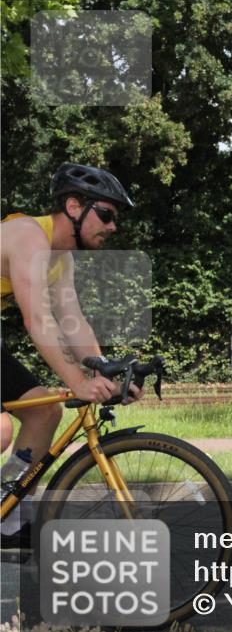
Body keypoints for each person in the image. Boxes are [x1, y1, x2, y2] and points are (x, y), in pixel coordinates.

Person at [1, 163, 143, 549]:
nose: (113, 226)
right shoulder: (29, 237)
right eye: (107, 214)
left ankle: (6, 514)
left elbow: (73, 322)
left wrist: (106, 374)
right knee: (1, 430)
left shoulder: (59, 258)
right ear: (74, 205)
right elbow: (38, 319)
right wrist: (77, 381)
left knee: (43, 412)